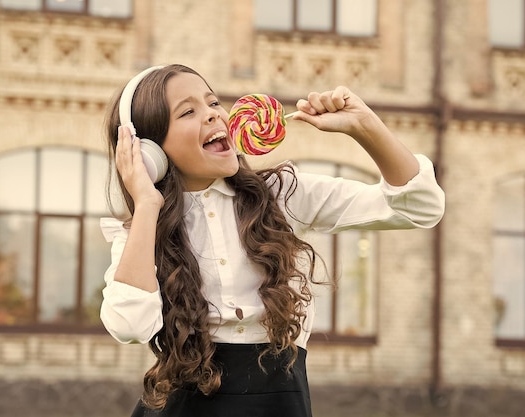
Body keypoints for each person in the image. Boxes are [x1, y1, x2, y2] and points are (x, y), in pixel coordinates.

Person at [99, 64, 445, 417]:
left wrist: (365, 128)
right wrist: (146, 205)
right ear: (149, 150)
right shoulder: (141, 227)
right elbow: (128, 326)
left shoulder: (282, 196)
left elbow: (420, 208)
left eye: (213, 102)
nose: (214, 116)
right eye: (188, 111)